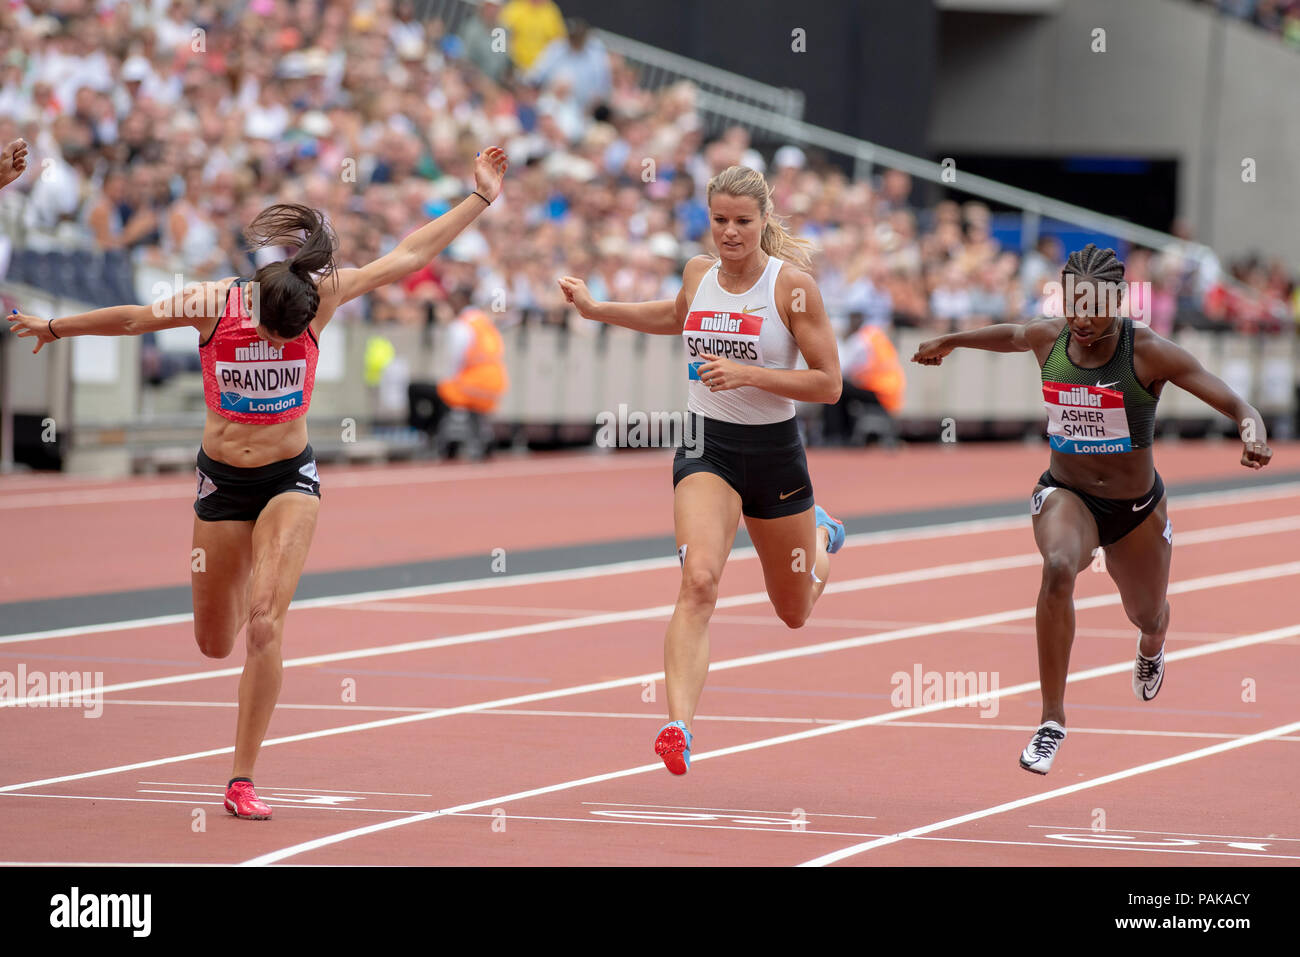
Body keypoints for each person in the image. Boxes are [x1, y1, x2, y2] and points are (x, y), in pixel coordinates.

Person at [8, 146, 509, 818]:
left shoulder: (324, 295)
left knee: (266, 625)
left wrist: (479, 198)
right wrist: (53, 325)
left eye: (291, 337)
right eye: (272, 334)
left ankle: (241, 778)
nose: (280, 344)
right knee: (215, 640)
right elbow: (132, 317)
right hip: (222, 481)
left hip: (287, 477)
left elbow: (408, 256)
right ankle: (243, 576)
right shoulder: (214, 302)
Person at [911, 244, 1273, 775]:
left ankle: (1152, 644)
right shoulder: (1049, 337)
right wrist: (951, 341)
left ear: (1119, 301)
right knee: (1058, 567)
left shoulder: (1147, 351)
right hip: (1067, 494)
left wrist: (1252, 431)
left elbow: (1237, 404)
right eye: (1073, 304)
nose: (1081, 318)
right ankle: (1051, 721)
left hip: (1135, 508)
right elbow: (1010, 334)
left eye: (1094, 307)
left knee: (1147, 613)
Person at [558, 165, 847, 775]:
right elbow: (675, 316)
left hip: (774, 454)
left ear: (764, 220)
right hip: (705, 444)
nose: (730, 233)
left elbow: (829, 383)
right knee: (699, 581)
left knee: (793, 611)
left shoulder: (791, 288)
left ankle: (822, 535)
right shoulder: (698, 272)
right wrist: (596, 309)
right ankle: (678, 726)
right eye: (720, 220)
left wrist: (750, 375)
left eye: (743, 221)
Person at [823, 315, 905, 444]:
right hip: (890, 393)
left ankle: (834, 435)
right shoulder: (875, 335)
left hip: (879, 391)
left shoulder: (860, 340)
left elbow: (843, 369)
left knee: (835, 388)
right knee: (844, 390)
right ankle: (844, 433)